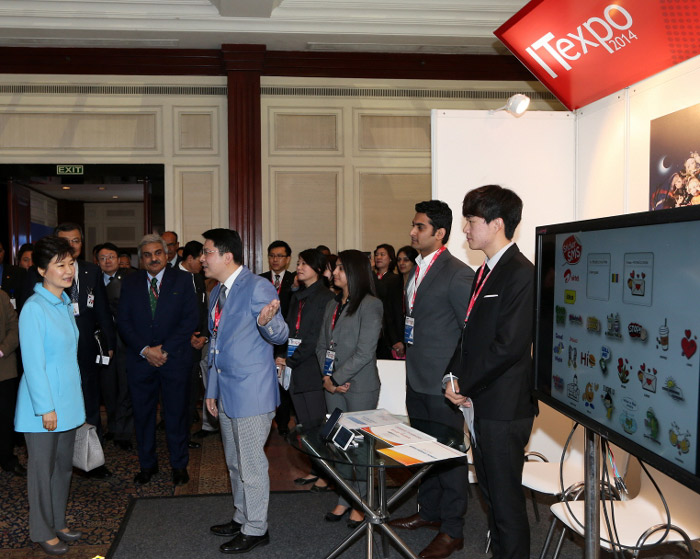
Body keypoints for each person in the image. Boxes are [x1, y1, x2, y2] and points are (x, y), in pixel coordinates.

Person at [445, 184, 537, 559]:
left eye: (471, 221)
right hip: (481, 402)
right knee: (492, 499)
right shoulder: (484, 271)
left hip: (504, 406)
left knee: (506, 503)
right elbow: (468, 333)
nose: (465, 229)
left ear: (497, 223)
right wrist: (451, 376)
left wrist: (466, 383)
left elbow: (509, 346)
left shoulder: (520, 273)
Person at [388, 200, 474, 559]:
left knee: (451, 459)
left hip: (442, 386)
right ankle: (429, 513)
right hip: (416, 379)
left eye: (420, 227)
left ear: (440, 233)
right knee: (425, 454)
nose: (412, 232)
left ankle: (453, 531)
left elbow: (469, 333)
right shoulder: (415, 270)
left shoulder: (458, 273)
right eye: (413, 225)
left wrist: (455, 379)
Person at [202, 228, 288, 555]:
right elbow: (215, 345)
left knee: (251, 465)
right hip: (224, 391)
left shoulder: (257, 286)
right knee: (235, 462)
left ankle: (256, 528)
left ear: (227, 256)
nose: (202, 258)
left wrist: (268, 322)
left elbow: (280, 332)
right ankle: (242, 517)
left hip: (252, 393)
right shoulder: (215, 292)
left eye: (207, 252)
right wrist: (210, 389)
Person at [14, 236, 85, 556]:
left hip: (68, 402)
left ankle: (57, 521)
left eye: (71, 263)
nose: (68, 270)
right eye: (60, 265)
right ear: (42, 269)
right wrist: (46, 408)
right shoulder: (34, 308)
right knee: (41, 472)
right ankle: (41, 529)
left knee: (63, 468)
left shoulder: (63, 302)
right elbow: (33, 363)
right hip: (42, 408)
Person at [117, 234, 198, 486]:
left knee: (176, 415)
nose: (153, 258)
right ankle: (147, 465)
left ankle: (179, 465)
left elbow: (190, 319)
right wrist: (145, 350)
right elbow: (123, 321)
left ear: (167, 254)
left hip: (174, 360)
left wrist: (164, 350)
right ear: (141, 259)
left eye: (157, 253)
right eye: (148, 255)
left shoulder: (185, 280)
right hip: (141, 362)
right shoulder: (130, 282)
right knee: (143, 416)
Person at [316, 249, 383, 528]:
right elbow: (321, 345)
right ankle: (346, 497)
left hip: (359, 387)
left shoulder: (370, 304)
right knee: (338, 445)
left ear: (354, 272)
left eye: (341, 268)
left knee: (360, 448)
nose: (334, 273)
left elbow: (365, 351)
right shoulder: (332, 305)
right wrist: (328, 375)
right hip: (333, 387)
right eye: (335, 268)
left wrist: (338, 376)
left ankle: (363, 501)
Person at [275, 248, 334, 491]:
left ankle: (326, 474)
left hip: (310, 367)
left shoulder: (325, 297)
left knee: (316, 424)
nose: (299, 267)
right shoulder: (298, 294)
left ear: (318, 270)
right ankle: (315, 469)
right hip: (295, 365)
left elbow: (314, 338)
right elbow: (290, 330)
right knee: (304, 424)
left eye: (304, 264)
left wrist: (291, 360)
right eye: (298, 263)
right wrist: (281, 354)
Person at [96, 242, 133, 451]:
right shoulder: (93, 280)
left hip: (125, 340)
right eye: (102, 258)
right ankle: (112, 425)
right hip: (102, 341)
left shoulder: (130, 278)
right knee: (107, 386)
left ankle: (124, 431)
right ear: (97, 261)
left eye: (111, 257)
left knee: (125, 386)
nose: (107, 261)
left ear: (119, 260)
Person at [260, 240, 296, 436]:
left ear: (288, 259)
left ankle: (283, 424)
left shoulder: (295, 280)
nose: (275, 259)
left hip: (287, 339)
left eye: (279, 256)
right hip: (264, 339)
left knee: (283, 383)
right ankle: (265, 421)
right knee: (265, 383)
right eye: (272, 255)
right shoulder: (260, 280)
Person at [178, 240, 210, 448]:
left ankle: (186, 435)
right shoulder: (171, 277)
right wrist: (186, 335)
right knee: (177, 395)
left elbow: (204, 309)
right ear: (190, 259)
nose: (204, 261)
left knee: (191, 394)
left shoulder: (199, 278)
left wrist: (204, 336)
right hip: (179, 346)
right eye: (201, 258)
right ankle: (177, 436)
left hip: (197, 346)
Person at [0, 288, 23, 477]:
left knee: (6, 417)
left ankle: (7, 457)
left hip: (3, 367)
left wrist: (2, 350)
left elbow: (14, 327)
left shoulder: (2, 296)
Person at [373, 243, 405, 359]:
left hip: (388, 334)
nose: (378, 258)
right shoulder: (372, 278)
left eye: (382, 255)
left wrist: (397, 339)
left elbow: (395, 311)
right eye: (376, 255)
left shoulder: (394, 279)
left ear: (391, 258)